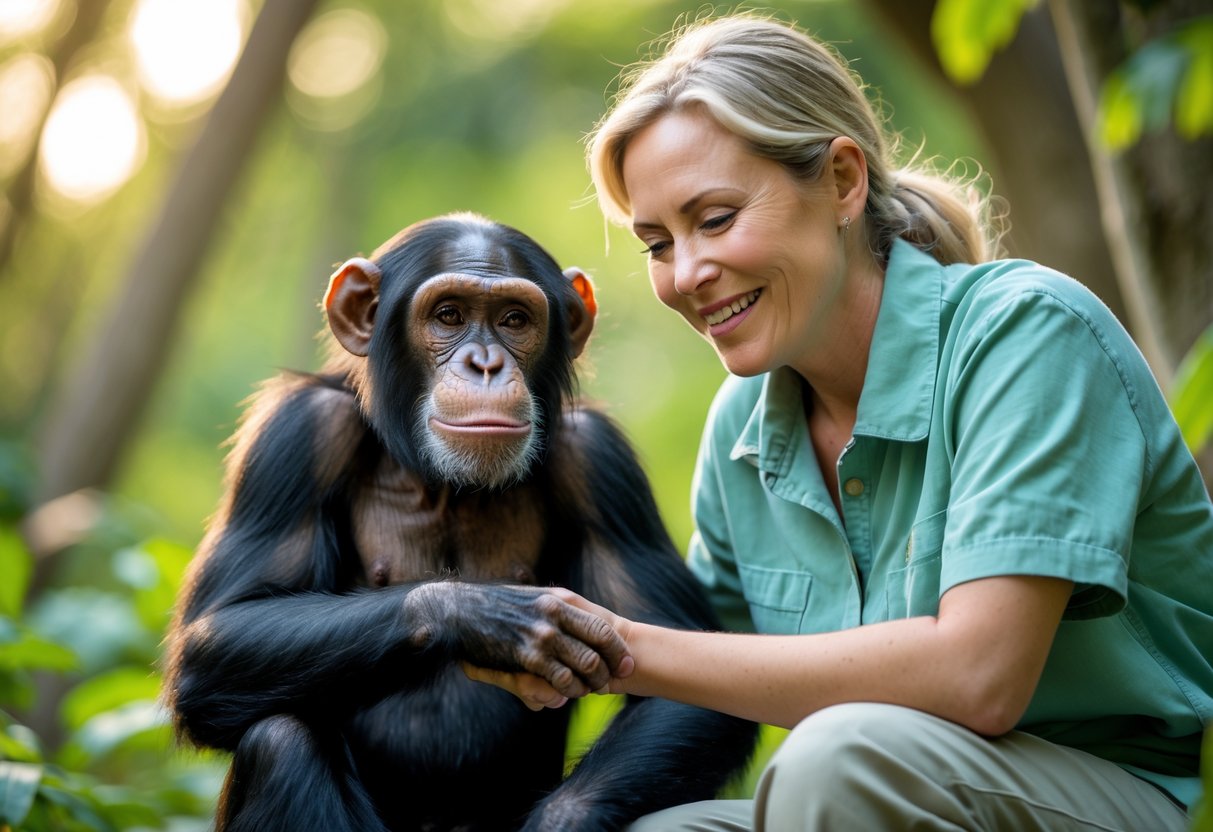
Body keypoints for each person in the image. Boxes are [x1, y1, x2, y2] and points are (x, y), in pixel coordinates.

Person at [465, 13, 1213, 830]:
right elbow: (712, 690)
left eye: (713, 219)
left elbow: (979, 678)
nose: (686, 274)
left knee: (834, 758)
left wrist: (620, 646)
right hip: (867, 794)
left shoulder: (1025, 333)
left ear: (843, 182)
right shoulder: (742, 428)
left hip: (1132, 794)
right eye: (656, 243)